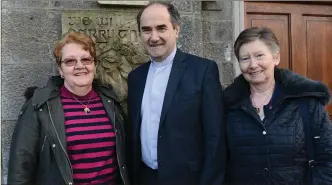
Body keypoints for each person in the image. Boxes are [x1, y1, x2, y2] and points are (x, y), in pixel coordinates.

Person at [8, 31, 130, 185]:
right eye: (70, 61)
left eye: (86, 59)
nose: (80, 66)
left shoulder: (112, 103)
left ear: (94, 65)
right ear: (60, 70)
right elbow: (20, 170)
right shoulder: (40, 107)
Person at [126, 2, 225, 185]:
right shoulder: (135, 77)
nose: (154, 37)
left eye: (161, 28)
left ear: (176, 30)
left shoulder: (203, 71)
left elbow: (215, 138)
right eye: (146, 30)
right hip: (145, 178)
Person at [223, 27, 332, 185]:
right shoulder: (228, 107)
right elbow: (219, 163)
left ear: (276, 58)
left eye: (259, 55)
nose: (253, 65)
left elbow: (328, 158)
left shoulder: (307, 104)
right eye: (245, 58)